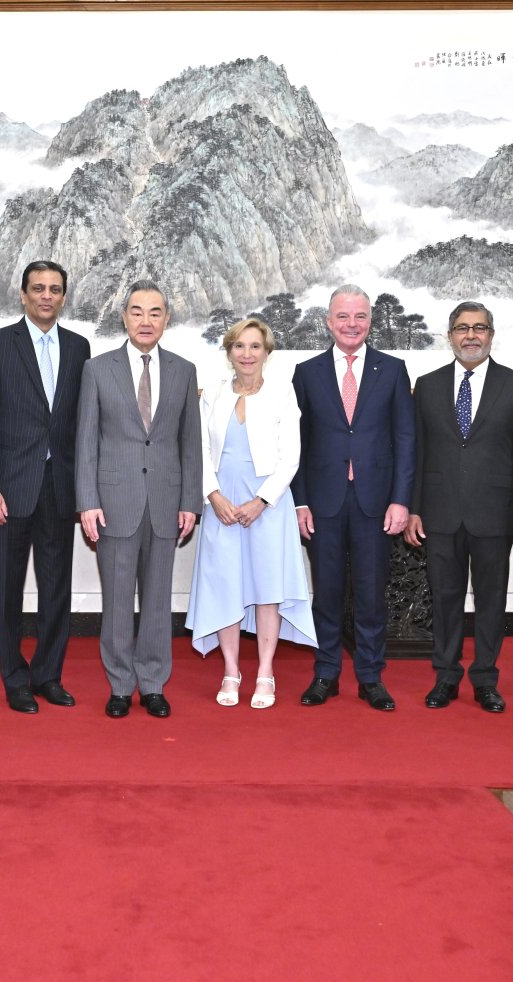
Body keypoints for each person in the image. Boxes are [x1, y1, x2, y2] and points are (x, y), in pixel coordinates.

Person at [404, 302, 513, 713]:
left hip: (494, 513)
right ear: (449, 336)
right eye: (462, 328)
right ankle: (445, 676)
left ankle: (485, 679)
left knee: (490, 600)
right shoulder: (427, 386)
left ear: (491, 334)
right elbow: (416, 454)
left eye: (479, 328)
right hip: (439, 512)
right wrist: (413, 509)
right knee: (444, 599)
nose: (471, 335)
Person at [0, 260, 91, 713]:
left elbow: (82, 422)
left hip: (59, 488)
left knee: (56, 587)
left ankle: (48, 675)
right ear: (22, 294)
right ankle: (14, 678)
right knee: (8, 590)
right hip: (8, 491)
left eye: (54, 289)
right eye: (37, 288)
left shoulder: (79, 347)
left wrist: (85, 488)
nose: (46, 296)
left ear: (63, 297)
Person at [76, 280, 203, 719]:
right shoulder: (97, 369)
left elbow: (191, 443)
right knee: (115, 600)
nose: (145, 320)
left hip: (166, 503)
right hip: (113, 502)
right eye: (137, 311)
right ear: (124, 316)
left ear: (167, 319)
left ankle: (152, 683)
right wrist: (87, 501)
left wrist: (191, 501)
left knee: (156, 599)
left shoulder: (185, 370)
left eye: (155, 312)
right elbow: (86, 440)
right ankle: (118, 684)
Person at [290, 285, 416, 711]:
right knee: (325, 592)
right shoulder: (306, 373)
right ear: (328, 321)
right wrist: (300, 501)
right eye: (343, 316)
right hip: (323, 503)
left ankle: (370, 676)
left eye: (360, 317)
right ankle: (326, 672)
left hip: (375, 503)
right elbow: (296, 445)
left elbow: (405, 438)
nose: (351, 325)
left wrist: (401, 500)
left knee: (370, 592)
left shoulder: (393, 369)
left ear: (370, 321)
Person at [187, 317, 315, 709]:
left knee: (265, 591)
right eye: (239, 346)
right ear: (228, 352)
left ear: (267, 352)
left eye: (255, 346)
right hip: (222, 504)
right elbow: (200, 451)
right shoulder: (213, 395)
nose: (247, 353)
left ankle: (264, 673)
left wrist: (261, 502)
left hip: (267, 508)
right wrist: (213, 496)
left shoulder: (282, 394)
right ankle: (230, 670)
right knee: (225, 585)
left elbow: (290, 457)